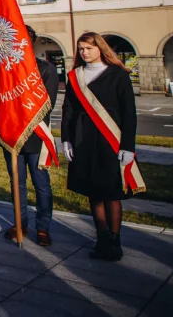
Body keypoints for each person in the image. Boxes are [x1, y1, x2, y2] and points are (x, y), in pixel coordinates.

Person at [62, 32, 140, 262]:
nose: (85, 52)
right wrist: (66, 138)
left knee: (111, 193)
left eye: (89, 48)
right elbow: (69, 110)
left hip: (111, 140)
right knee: (94, 194)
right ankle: (102, 239)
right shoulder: (75, 75)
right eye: (81, 49)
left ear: (100, 48)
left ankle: (115, 242)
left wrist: (128, 146)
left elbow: (129, 114)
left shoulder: (118, 75)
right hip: (84, 139)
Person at [0, 25, 58, 245]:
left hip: (35, 135)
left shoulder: (46, 69)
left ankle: (42, 227)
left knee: (41, 183)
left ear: (30, 42)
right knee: (17, 183)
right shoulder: (5, 70)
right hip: (12, 136)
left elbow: (47, 103)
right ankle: (20, 223)